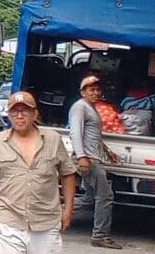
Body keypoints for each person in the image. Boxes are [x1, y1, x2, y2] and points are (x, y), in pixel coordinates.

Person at [0, 91, 77, 254]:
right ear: (8, 114)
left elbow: (68, 174)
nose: (19, 116)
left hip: (46, 223)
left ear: (35, 114)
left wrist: (68, 210)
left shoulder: (53, 139)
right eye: (14, 111)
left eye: (25, 111)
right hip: (9, 223)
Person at [69, 76, 122, 249]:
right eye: (91, 90)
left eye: (98, 89)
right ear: (82, 92)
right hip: (89, 159)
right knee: (105, 196)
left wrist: (108, 152)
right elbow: (75, 133)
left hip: (93, 157)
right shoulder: (79, 107)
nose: (96, 93)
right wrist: (82, 156)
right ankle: (100, 235)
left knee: (89, 198)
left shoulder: (91, 108)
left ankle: (45, 213)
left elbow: (94, 136)